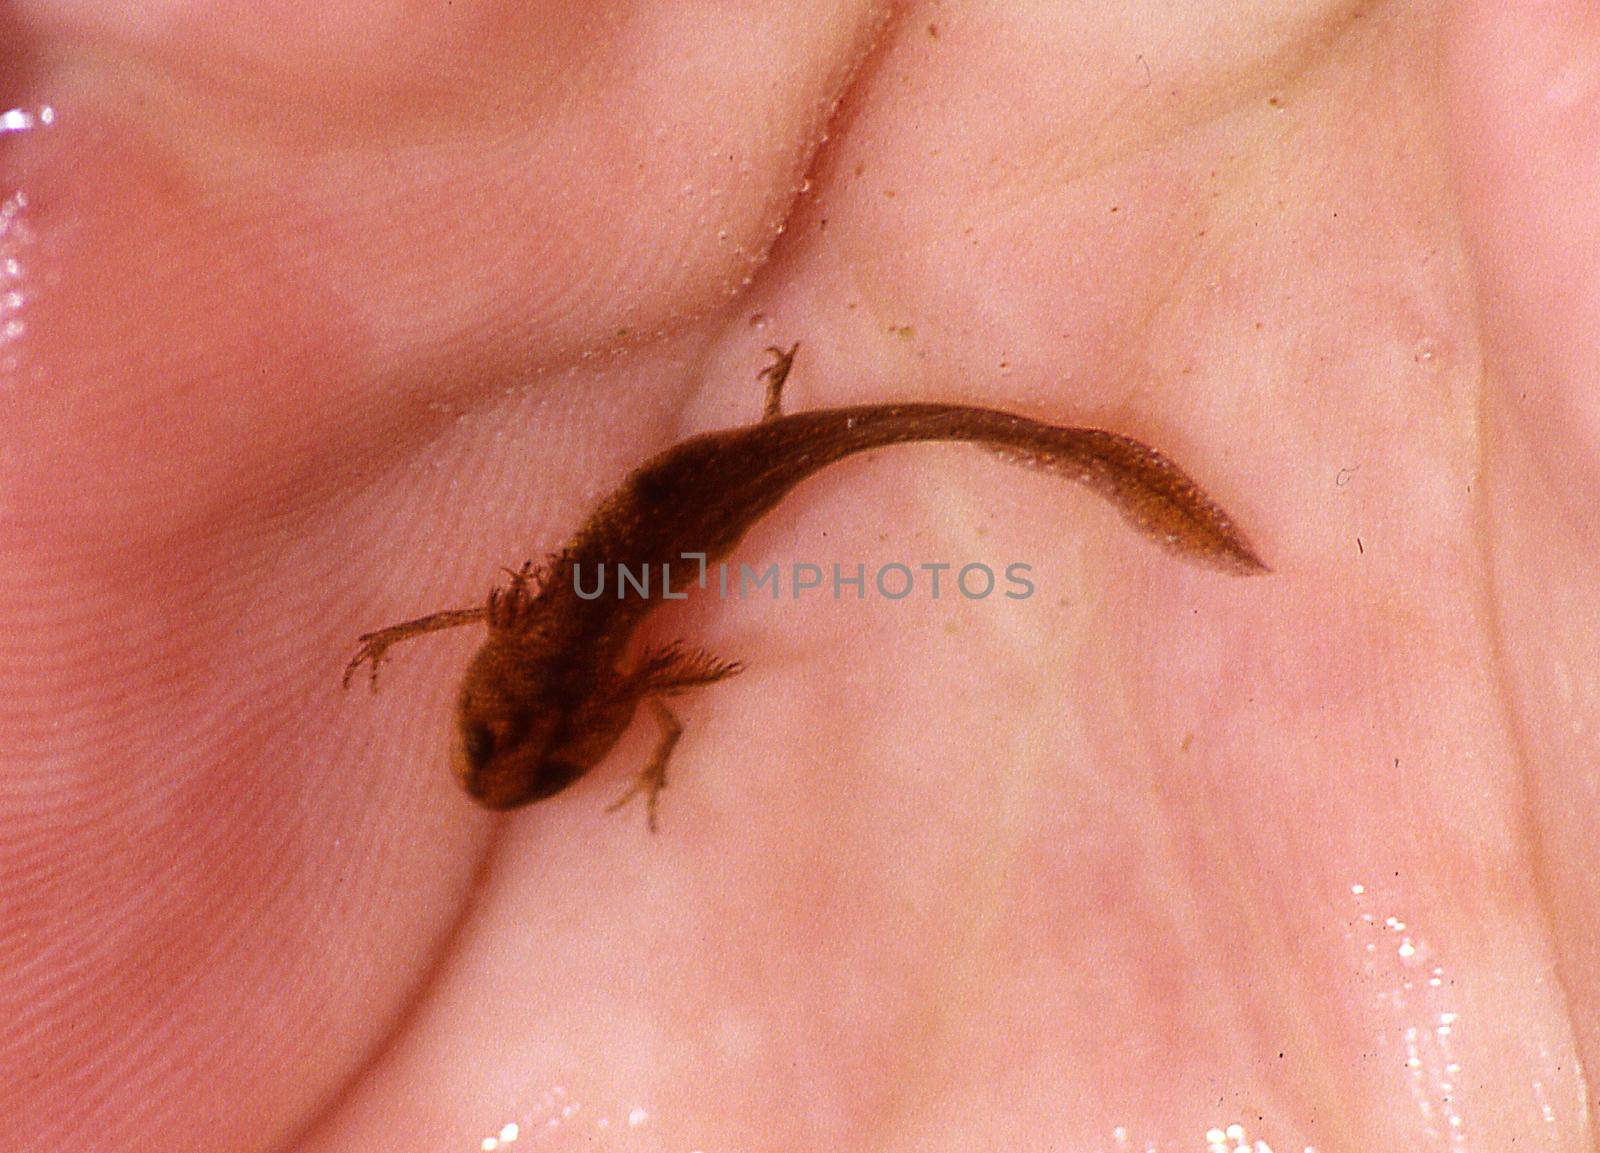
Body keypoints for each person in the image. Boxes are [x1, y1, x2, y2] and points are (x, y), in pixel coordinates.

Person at [2, 3, 1595, 1151]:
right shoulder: (560, 644)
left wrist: (644, 720)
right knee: (786, 468)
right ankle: (871, 437)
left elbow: (611, 671)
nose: (503, 739)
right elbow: (538, 641)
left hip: (679, 514)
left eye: (502, 736)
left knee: (792, 465)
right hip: (676, 514)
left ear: (535, 697)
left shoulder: (601, 665)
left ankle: (906, 442)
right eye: (522, 746)